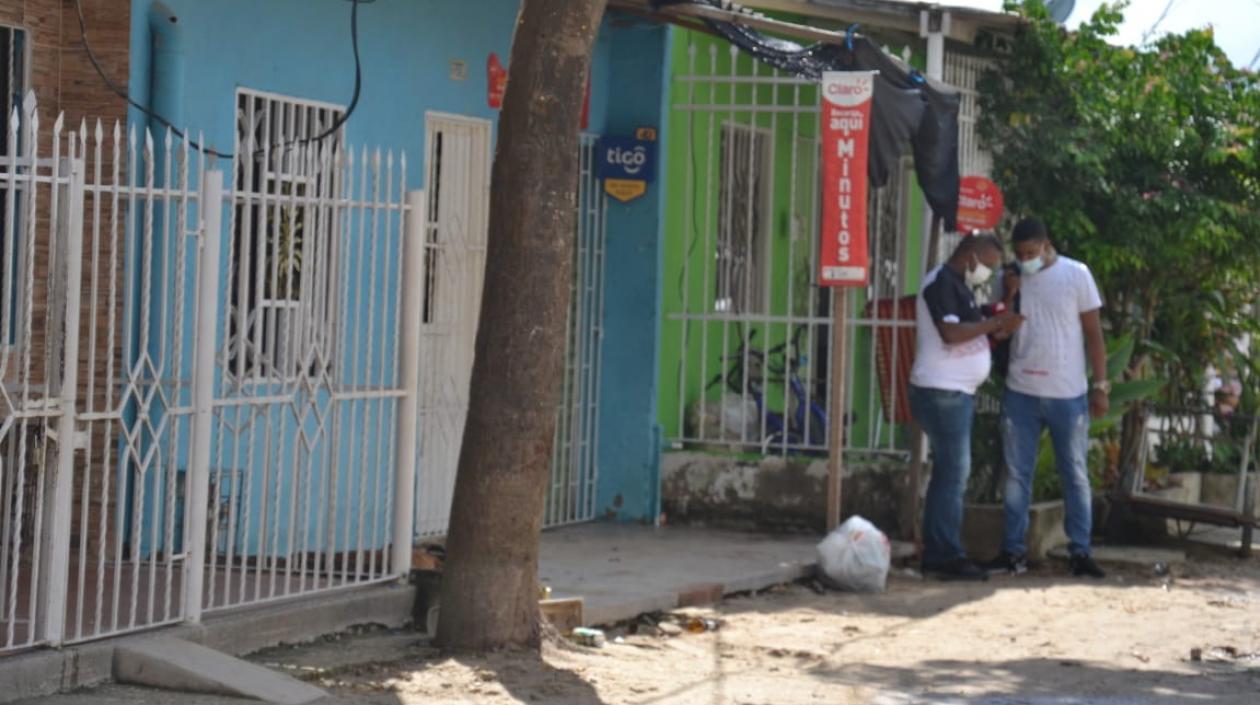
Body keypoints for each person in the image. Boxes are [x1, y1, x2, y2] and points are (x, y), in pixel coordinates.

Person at [983, 218, 1109, 579]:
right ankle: (1012, 552)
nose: (1026, 259)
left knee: (1075, 474)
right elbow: (999, 331)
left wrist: (1100, 387)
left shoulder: (1076, 275)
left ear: (1046, 245)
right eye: (1021, 254)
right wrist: (1008, 294)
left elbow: (1094, 335)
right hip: (1021, 391)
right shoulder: (1010, 278)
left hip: (1067, 394)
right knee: (1017, 475)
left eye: (1032, 253)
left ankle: (1080, 552)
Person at [910, 234, 1023, 581]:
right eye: (988, 264)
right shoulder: (941, 283)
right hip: (942, 391)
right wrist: (995, 324)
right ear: (971, 257)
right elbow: (951, 333)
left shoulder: (958, 284)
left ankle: (941, 551)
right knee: (954, 473)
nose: (988, 272)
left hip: (954, 390)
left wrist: (997, 322)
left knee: (950, 473)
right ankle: (943, 555)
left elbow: (969, 331)